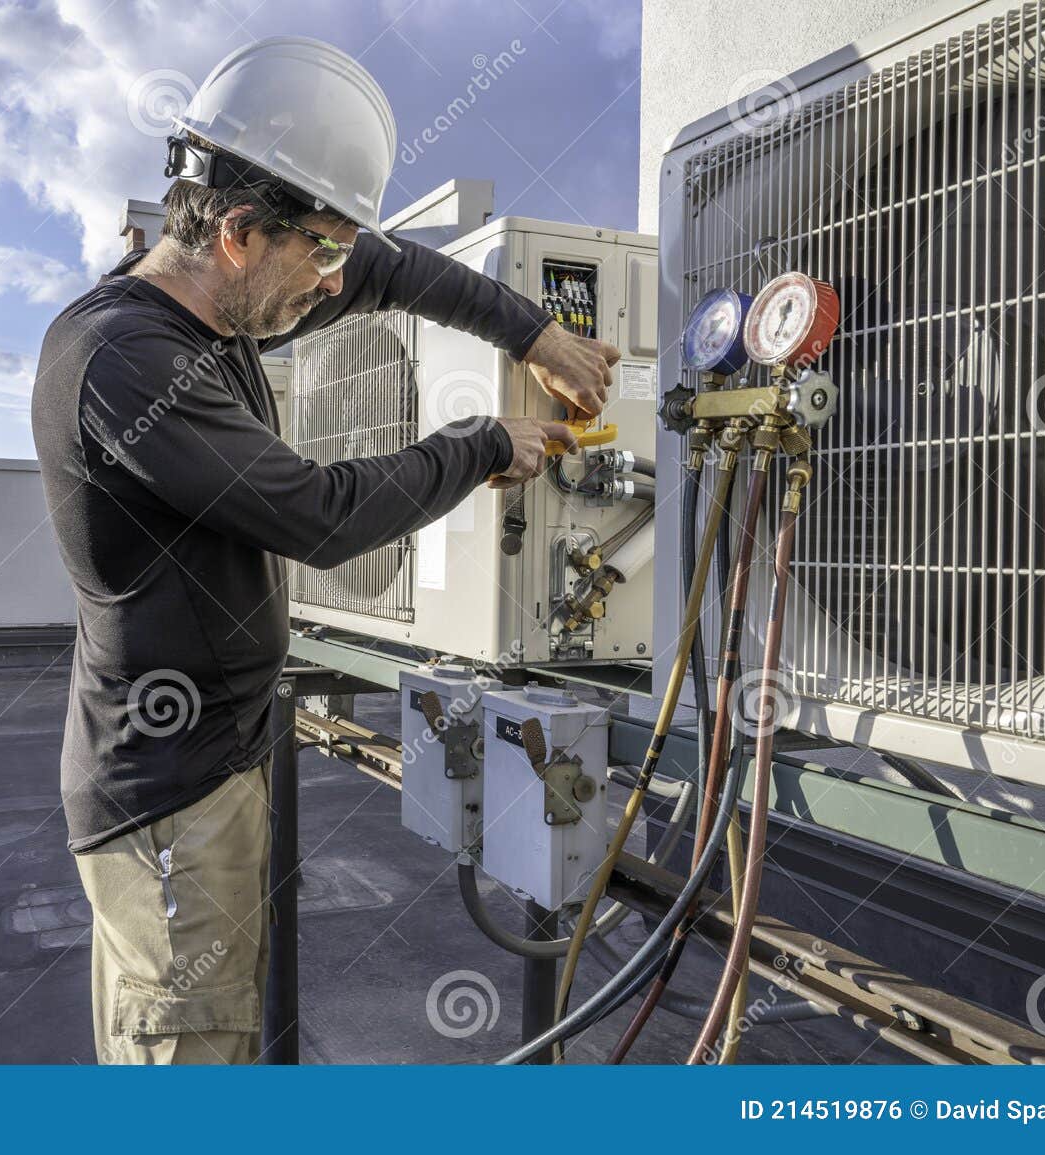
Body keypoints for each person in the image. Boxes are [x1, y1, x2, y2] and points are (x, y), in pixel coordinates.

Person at [31, 36, 619, 1064]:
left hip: (215, 763)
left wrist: (534, 336)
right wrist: (481, 444)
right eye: (322, 256)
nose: (334, 282)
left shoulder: (231, 312)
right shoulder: (123, 359)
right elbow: (316, 515)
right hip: (167, 790)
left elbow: (393, 269)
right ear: (239, 233)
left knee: (217, 1034)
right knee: (185, 1046)